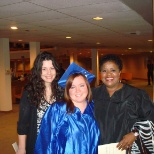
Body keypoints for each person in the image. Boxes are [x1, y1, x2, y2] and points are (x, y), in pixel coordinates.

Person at [92, 54, 154, 153]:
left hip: (127, 148)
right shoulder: (93, 94)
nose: (108, 75)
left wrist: (135, 133)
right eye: (104, 71)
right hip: (99, 147)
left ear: (120, 72)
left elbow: (150, 118)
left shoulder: (136, 95)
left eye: (113, 70)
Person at [34, 62, 100, 154]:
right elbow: (45, 143)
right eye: (72, 87)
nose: (78, 90)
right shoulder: (57, 110)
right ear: (67, 90)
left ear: (88, 87)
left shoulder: (95, 108)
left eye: (81, 85)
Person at [16, 51, 64, 154]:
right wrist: (21, 148)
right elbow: (23, 124)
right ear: (38, 71)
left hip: (59, 144)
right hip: (37, 144)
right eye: (44, 69)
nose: (49, 73)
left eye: (52, 68)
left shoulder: (62, 91)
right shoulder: (30, 92)